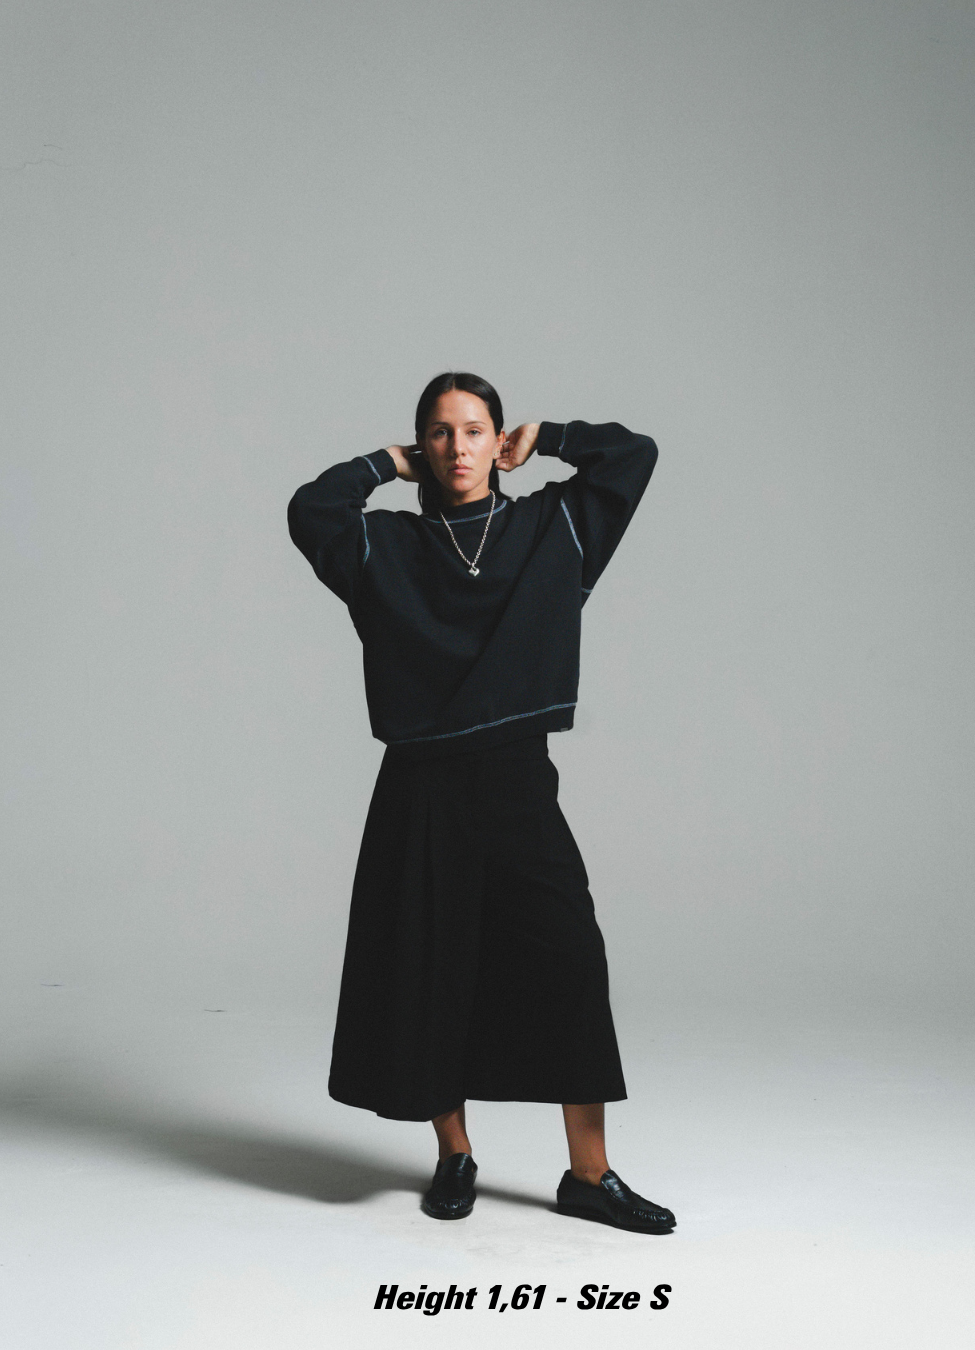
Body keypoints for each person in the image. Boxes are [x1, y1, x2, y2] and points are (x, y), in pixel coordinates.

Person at [287, 371, 675, 1234]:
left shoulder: (553, 527)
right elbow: (310, 510)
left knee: (570, 961)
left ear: (499, 442)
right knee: (431, 969)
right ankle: (454, 1155)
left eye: (473, 430)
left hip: (517, 781)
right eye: (438, 432)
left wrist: (553, 435)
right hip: (421, 788)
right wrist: (380, 463)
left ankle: (589, 1174)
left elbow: (634, 457)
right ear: (421, 446)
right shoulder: (386, 545)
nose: (456, 447)